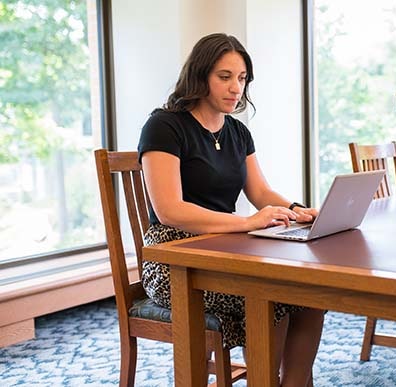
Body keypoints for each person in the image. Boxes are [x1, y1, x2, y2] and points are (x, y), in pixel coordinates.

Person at [137, 33, 324, 387]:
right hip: (173, 257)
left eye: (242, 79)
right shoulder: (164, 126)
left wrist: (300, 210)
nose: (235, 88)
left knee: (309, 294)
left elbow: (261, 191)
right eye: (225, 77)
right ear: (200, 75)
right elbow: (169, 210)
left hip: (226, 247)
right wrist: (247, 223)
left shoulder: (237, 131)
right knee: (276, 296)